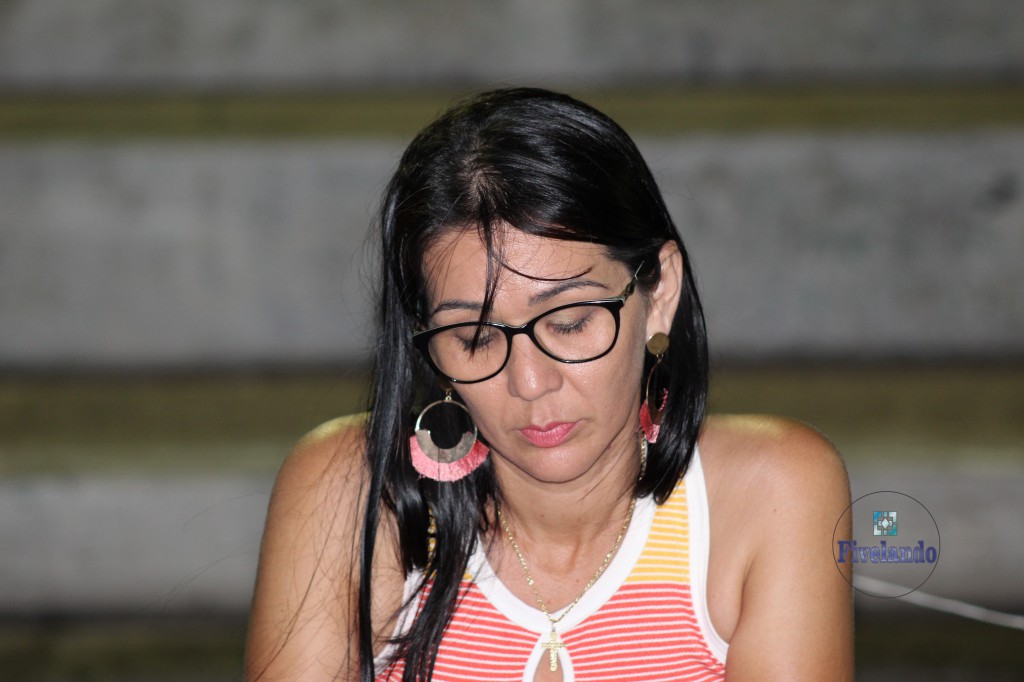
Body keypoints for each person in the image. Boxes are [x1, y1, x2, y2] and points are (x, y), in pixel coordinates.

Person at [245, 88, 853, 682]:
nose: (531, 383)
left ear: (660, 292)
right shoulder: (352, 494)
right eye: (475, 338)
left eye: (570, 322)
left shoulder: (770, 493)